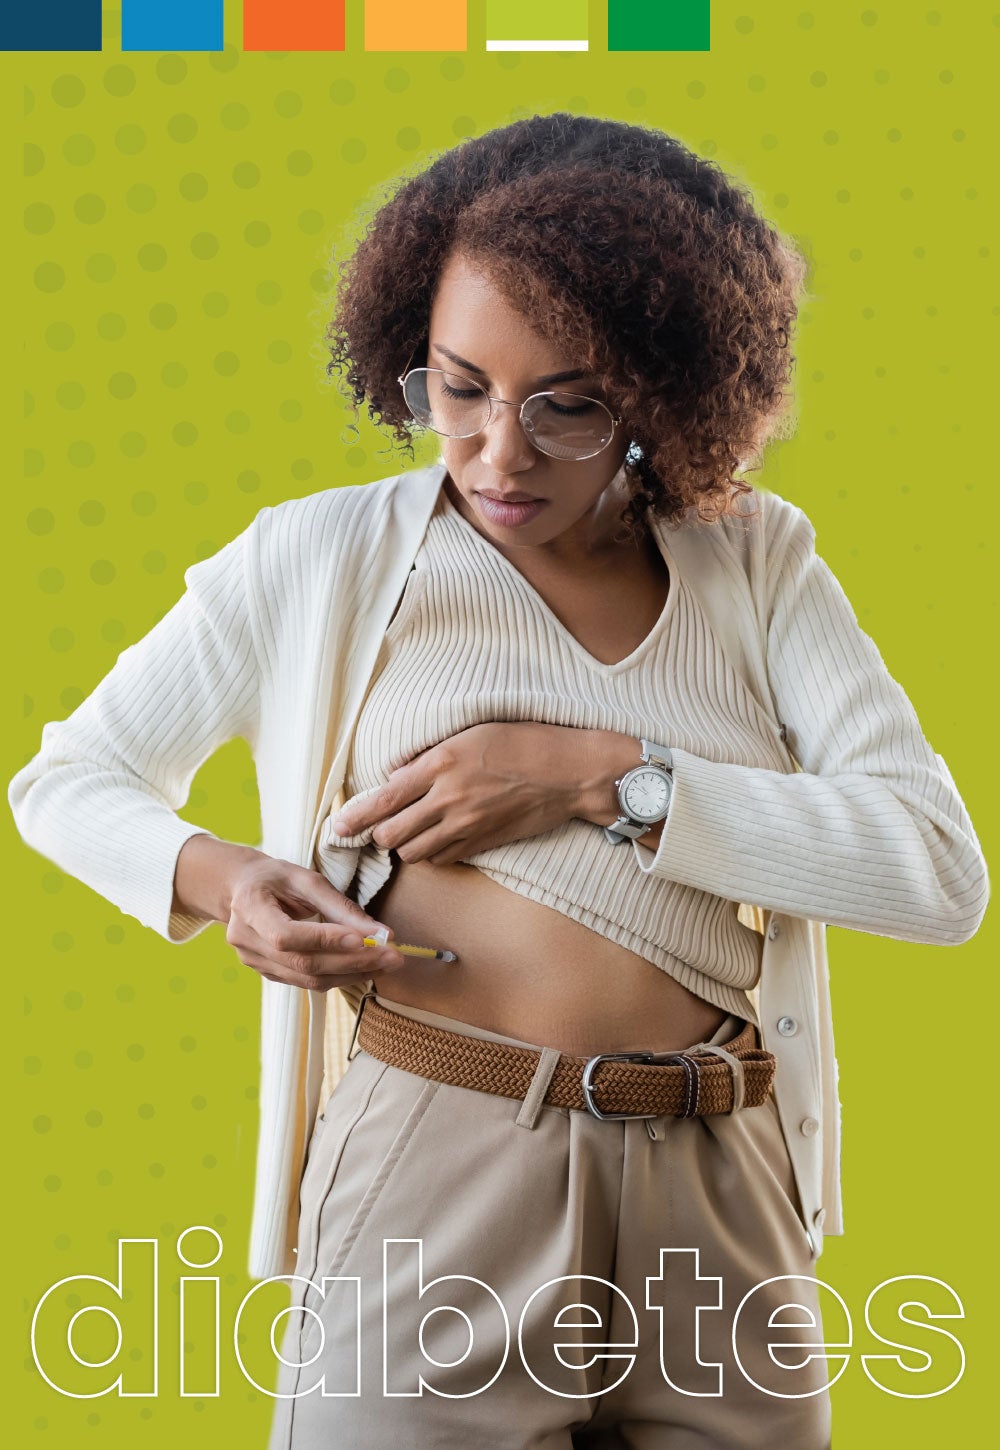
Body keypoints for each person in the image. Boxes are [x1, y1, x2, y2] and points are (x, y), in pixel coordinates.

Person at [9, 114, 988, 1448]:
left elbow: (932, 869)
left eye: (565, 404)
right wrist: (226, 877)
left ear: (659, 385)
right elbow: (72, 777)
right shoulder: (322, 560)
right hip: (439, 1159)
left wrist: (603, 776)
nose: (496, 452)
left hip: (718, 1179)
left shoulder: (755, 563)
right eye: (456, 387)